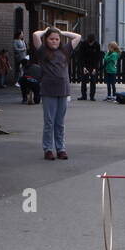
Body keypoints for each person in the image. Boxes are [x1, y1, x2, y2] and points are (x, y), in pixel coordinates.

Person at [31, 26, 82, 160]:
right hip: (48, 91)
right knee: (49, 122)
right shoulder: (43, 51)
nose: (54, 41)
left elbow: (78, 37)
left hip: (63, 90)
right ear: (46, 40)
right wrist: (47, 29)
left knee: (60, 122)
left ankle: (61, 148)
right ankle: (48, 149)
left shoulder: (65, 50)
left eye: (57, 39)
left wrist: (61, 32)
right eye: (51, 39)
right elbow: (36, 35)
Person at [77, 34, 102, 100]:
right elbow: (81, 56)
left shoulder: (97, 45)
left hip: (93, 65)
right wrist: (84, 67)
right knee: (84, 80)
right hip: (84, 64)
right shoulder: (83, 44)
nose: (91, 44)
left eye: (92, 43)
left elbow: (97, 57)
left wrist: (95, 68)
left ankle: (92, 96)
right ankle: (83, 96)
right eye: (89, 43)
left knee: (93, 81)